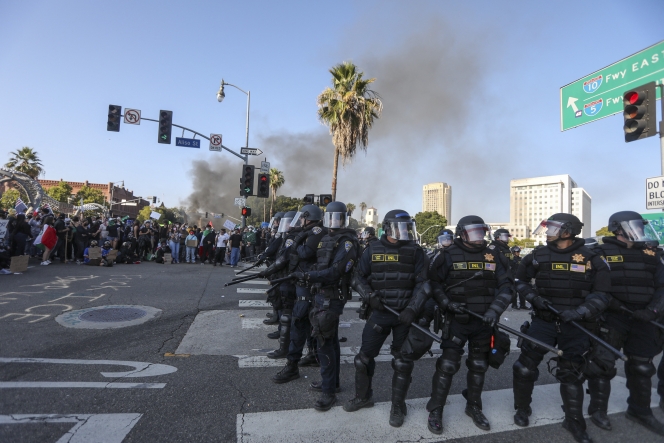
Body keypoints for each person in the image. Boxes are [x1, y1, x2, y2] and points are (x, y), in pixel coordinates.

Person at [513, 213, 611, 443]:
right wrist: (535, 299)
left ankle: (574, 420)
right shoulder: (537, 255)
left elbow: (603, 294)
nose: (547, 232)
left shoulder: (592, 258)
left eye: (552, 228)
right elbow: (520, 282)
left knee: (572, 373)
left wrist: (580, 312)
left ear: (567, 231)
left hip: (576, 324)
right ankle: (522, 408)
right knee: (525, 367)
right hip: (543, 321)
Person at [425, 215, 513, 434]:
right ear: (462, 234)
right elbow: (434, 283)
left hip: (484, 321)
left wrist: (495, 310)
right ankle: (435, 409)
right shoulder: (446, 255)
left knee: (479, 366)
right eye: (474, 232)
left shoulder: (495, 255)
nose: (479, 237)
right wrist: (446, 303)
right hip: (457, 321)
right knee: (447, 366)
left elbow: (506, 286)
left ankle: (473, 405)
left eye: (481, 232)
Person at [584, 211, 664, 436]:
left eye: (640, 226)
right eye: (634, 226)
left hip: (644, 319)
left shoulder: (652, 254)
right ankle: (598, 410)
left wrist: (653, 311)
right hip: (612, 317)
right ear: (618, 228)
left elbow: (662, 287)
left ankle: (640, 410)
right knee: (602, 365)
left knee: (642, 366)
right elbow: (591, 287)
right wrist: (614, 305)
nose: (639, 230)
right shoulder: (599, 253)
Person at [345, 209, 429, 425]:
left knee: (402, 363)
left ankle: (397, 406)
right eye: (399, 228)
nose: (403, 232)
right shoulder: (372, 249)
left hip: (404, 316)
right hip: (380, 313)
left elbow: (424, 283)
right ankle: (363, 397)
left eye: (407, 227)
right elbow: (356, 277)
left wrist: (412, 308)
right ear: (388, 228)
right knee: (363, 360)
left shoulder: (416, 251)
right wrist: (369, 295)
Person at [286, 202, 358, 411]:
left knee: (324, 342)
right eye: (331, 217)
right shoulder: (327, 237)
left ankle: (328, 392)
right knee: (330, 341)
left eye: (338, 218)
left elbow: (336, 272)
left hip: (332, 296)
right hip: (320, 293)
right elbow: (319, 262)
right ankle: (331, 384)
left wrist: (308, 275)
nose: (334, 222)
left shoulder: (347, 242)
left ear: (344, 219)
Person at [271, 205, 328, 382]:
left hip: (309, 283)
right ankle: (311, 355)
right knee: (309, 324)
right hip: (305, 282)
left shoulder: (316, 231)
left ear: (307, 217)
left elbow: (305, 252)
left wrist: (296, 242)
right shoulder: (310, 231)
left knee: (299, 323)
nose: (299, 222)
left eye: (301, 219)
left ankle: (293, 365)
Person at [257, 211, 299, 358]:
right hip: (282, 276)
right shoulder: (285, 236)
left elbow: (283, 259)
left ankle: (286, 347)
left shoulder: (292, 238)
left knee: (287, 312)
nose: (284, 224)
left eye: (287, 222)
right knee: (281, 306)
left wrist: (267, 271)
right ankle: (282, 332)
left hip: (287, 278)